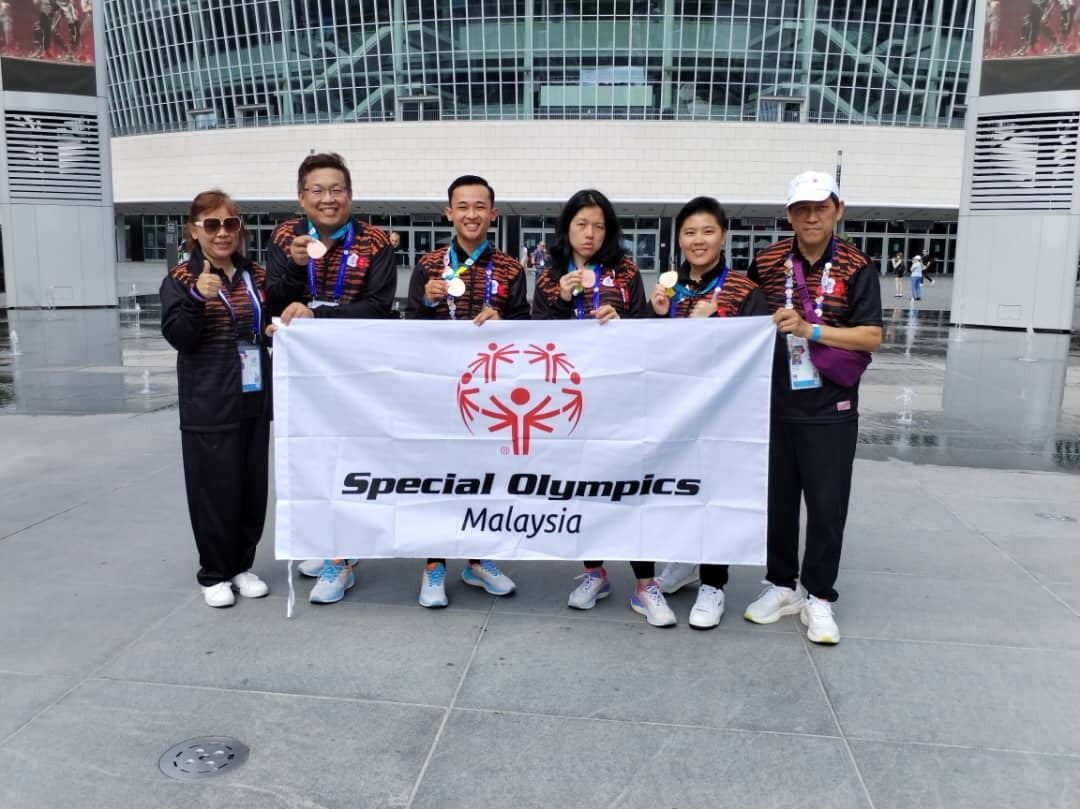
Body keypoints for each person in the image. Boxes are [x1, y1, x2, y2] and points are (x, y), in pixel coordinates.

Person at [743, 170, 882, 644]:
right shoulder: (766, 262)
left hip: (831, 405)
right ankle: (781, 584)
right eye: (802, 208)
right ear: (789, 215)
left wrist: (811, 330)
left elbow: (871, 336)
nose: (812, 216)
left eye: (821, 207)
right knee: (778, 503)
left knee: (826, 506)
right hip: (774, 402)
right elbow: (737, 313)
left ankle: (819, 596)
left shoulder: (857, 266)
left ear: (838, 210)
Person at [532, 189, 681, 625]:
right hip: (568, 402)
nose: (590, 233)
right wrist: (560, 300)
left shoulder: (626, 270)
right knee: (581, 489)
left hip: (618, 399)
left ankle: (644, 584)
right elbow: (533, 338)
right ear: (567, 228)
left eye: (598, 225)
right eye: (582, 224)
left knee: (630, 487)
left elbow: (645, 333)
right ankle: (594, 572)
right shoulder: (549, 273)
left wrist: (626, 320)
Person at [264, 151, 397, 604]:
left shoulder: (376, 242)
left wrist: (321, 312)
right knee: (313, 460)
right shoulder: (284, 237)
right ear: (301, 197)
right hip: (304, 375)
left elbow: (379, 308)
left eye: (337, 189)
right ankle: (329, 545)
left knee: (352, 460)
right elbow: (275, 300)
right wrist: (297, 268)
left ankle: (341, 561)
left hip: (356, 374)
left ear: (350, 195)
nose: (328, 198)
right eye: (317, 190)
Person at [646, 196, 770, 629]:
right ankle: (683, 561)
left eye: (707, 232)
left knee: (717, 494)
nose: (698, 241)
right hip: (675, 413)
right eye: (689, 233)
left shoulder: (742, 290)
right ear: (679, 238)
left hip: (724, 415)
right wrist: (656, 315)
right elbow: (648, 355)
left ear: (723, 236)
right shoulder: (667, 287)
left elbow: (757, 354)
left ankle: (714, 583)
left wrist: (718, 322)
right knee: (678, 490)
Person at [405, 174, 529, 608]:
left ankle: (479, 559)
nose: (471, 214)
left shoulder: (512, 268)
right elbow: (409, 329)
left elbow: (528, 331)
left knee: (486, 477)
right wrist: (425, 302)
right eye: (463, 206)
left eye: (480, 206)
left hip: (490, 395)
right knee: (438, 477)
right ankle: (434, 564)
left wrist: (506, 322)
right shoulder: (427, 266)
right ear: (449, 213)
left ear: (493, 214)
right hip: (440, 392)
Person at [160, 190, 271, 608]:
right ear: (194, 230)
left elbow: (272, 317)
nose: (222, 232)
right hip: (208, 403)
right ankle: (214, 572)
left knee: (250, 489)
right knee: (214, 491)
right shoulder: (181, 280)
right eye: (211, 224)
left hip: (253, 399)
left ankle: (242, 565)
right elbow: (181, 338)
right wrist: (197, 299)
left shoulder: (255, 275)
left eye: (230, 223)